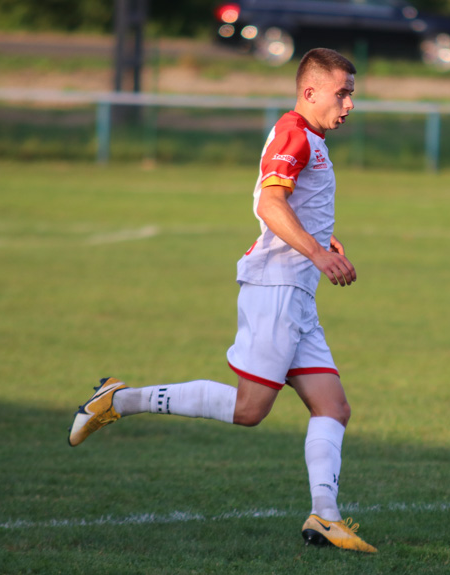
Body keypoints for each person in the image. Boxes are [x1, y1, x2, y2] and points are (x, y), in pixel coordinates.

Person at [68, 48, 377, 553]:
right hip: (276, 288)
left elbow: (292, 203)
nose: (348, 105)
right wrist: (318, 252)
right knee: (249, 409)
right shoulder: (295, 132)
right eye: (342, 93)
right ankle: (118, 399)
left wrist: (324, 235)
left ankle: (325, 517)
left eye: (351, 94)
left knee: (333, 407)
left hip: (297, 295)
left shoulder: (312, 139)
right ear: (310, 91)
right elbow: (268, 202)